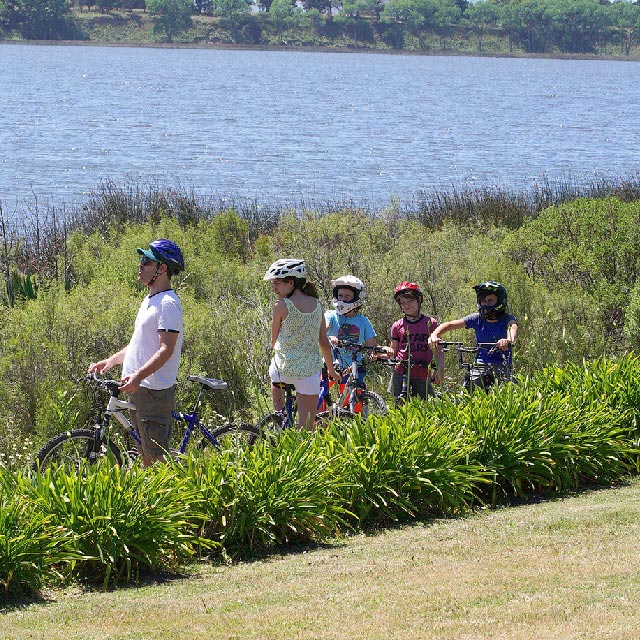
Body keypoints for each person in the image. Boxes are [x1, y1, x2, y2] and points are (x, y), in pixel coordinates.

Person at [88, 239, 185, 466]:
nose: (140, 266)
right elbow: (139, 344)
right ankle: (152, 496)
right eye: (141, 260)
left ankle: (167, 497)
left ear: (161, 269)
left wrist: (139, 376)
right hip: (140, 388)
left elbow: (166, 349)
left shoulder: (168, 303)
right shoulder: (151, 299)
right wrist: (110, 361)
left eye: (146, 261)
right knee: (145, 451)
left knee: (156, 456)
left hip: (153, 391)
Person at [264, 258, 340, 430]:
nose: (274, 288)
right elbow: (324, 343)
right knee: (306, 427)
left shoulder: (281, 306)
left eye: (277, 283)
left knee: (282, 417)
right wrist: (331, 370)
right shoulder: (318, 305)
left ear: (291, 283)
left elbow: (273, 340)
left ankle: (281, 421)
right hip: (307, 373)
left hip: (281, 371)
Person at [429, 281, 518, 392]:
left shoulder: (507, 318)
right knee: (468, 391)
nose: (486, 304)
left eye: (490, 300)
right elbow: (449, 325)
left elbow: (512, 328)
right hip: (481, 365)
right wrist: (434, 335)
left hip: (503, 366)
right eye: (483, 300)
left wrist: (508, 340)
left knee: (512, 392)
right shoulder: (476, 318)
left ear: (500, 301)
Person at [382, 281, 445, 403]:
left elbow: (438, 349)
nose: (406, 305)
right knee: (398, 402)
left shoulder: (430, 323)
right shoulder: (397, 326)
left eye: (410, 301)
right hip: (401, 369)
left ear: (419, 300)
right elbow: (393, 351)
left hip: (421, 370)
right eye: (403, 303)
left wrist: (439, 368)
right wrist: (381, 354)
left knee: (425, 403)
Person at [325, 275, 378, 388]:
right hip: (331, 364)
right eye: (340, 295)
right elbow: (324, 327)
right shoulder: (330, 315)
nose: (342, 299)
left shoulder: (363, 321)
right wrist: (329, 337)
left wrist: (375, 352)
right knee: (320, 393)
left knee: (355, 399)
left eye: (347, 296)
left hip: (353, 367)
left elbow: (371, 345)